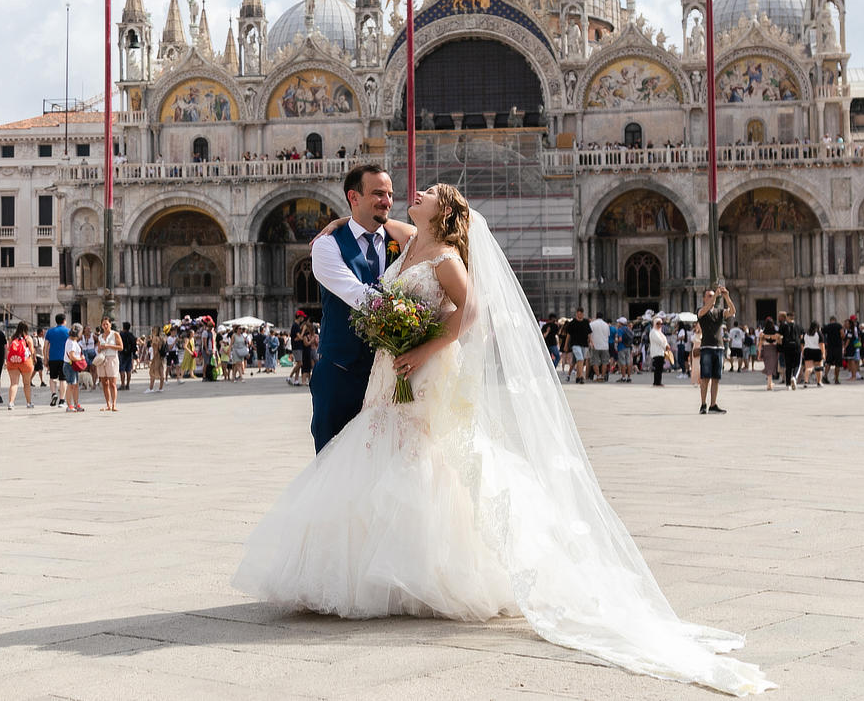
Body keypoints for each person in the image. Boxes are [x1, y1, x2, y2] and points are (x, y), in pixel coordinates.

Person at [234, 185, 772, 695]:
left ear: (443, 214)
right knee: (387, 450)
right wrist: (336, 224)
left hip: (425, 367)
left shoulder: (445, 254)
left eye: (430, 194)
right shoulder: (409, 237)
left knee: (426, 455)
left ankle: (423, 567)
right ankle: (380, 561)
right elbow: (368, 226)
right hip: (390, 368)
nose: (415, 195)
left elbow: (470, 313)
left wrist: (423, 351)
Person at [308, 164, 407, 453]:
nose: (387, 201)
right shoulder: (327, 245)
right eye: (378, 194)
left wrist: (350, 220)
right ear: (354, 197)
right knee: (333, 463)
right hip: (340, 375)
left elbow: (436, 240)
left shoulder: (400, 242)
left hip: (391, 377)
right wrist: (410, 313)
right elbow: (356, 294)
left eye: (389, 194)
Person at [696, 286, 734, 414]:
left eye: (712, 295)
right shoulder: (701, 311)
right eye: (709, 296)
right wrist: (715, 296)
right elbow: (706, 309)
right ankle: (703, 404)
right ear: (704, 298)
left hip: (719, 347)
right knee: (705, 378)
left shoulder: (719, 312)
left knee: (716, 378)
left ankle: (713, 404)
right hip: (706, 347)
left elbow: (733, 311)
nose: (712, 297)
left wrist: (727, 297)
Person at [5, 322, 35, 409]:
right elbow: (32, 351)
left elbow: (8, 350)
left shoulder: (12, 338)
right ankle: (29, 403)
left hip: (13, 361)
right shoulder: (28, 338)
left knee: (14, 383)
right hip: (25, 362)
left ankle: (11, 403)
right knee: (26, 384)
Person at [45, 313, 70, 408]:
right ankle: (62, 400)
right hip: (64, 358)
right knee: (63, 379)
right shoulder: (68, 331)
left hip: (53, 358)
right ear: (64, 321)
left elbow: (46, 346)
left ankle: (53, 393)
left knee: (52, 377)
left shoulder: (50, 331)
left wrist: (46, 357)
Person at [563, 309, 592, 385]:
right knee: (580, 359)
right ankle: (581, 376)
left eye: (581, 314)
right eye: (579, 314)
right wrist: (566, 345)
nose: (580, 315)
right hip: (575, 344)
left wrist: (591, 342)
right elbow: (568, 335)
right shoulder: (572, 323)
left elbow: (589, 333)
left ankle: (577, 377)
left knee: (580, 361)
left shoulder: (586, 322)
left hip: (584, 344)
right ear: (576, 314)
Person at [63, 324, 86, 412]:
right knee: (71, 385)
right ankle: (69, 405)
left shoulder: (73, 341)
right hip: (70, 365)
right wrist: (81, 358)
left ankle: (76, 404)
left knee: (75, 385)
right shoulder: (71, 343)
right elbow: (72, 356)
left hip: (73, 365)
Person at [778, 311, 802, 390]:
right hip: (796, 347)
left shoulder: (783, 326)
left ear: (787, 317)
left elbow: (779, 337)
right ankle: (794, 377)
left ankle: (788, 385)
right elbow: (801, 337)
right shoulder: (798, 326)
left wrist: (780, 346)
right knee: (797, 364)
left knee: (788, 366)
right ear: (793, 317)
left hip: (787, 347)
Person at [588, 311, 611, 382]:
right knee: (604, 362)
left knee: (595, 362)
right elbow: (608, 335)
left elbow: (589, 334)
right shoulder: (606, 325)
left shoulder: (592, 324)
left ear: (596, 316)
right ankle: (603, 376)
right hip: (604, 346)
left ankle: (598, 376)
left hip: (595, 345)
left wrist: (591, 342)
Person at [821, 316, 844, 385]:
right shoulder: (839, 325)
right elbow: (842, 334)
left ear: (830, 320)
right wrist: (841, 339)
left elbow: (822, 333)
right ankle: (836, 379)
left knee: (828, 362)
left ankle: (825, 376)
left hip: (830, 347)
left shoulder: (827, 326)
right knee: (837, 364)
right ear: (835, 320)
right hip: (838, 347)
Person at [647, 317, 670, 386]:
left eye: (661, 324)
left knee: (659, 368)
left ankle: (657, 381)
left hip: (661, 352)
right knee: (658, 368)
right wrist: (666, 345)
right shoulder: (653, 332)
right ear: (654, 324)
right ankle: (657, 382)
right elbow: (660, 341)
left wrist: (666, 345)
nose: (660, 325)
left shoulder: (659, 332)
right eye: (658, 324)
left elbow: (664, 340)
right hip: (657, 352)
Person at [759, 317, 780, 390]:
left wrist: (759, 354)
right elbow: (779, 341)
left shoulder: (762, 333)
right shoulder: (776, 333)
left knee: (768, 366)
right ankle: (769, 384)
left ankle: (770, 383)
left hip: (766, 350)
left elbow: (760, 344)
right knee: (772, 367)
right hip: (773, 350)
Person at [800, 322, 823, 386]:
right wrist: (823, 353)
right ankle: (819, 382)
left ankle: (806, 381)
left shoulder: (805, 334)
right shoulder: (818, 333)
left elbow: (802, 344)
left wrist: (802, 352)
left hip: (807, 351)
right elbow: (821, 344)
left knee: (808, 368)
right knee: (818, 368)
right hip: (817, 351)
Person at [146, 326, 167, 392]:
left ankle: (151, 388)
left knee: (152, 372)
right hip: (161, 357)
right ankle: (161, 388)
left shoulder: (155, 339)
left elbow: (155, 350)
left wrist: (152, 359)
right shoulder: (162, 339)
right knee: (161, 372)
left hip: (156, 357)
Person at [119, 322, 137, 390]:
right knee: (128, 370)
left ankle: (122, 384)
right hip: (129, 354)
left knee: (122, 370)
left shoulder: (121, 334)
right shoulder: (131, 335)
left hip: (122, 353)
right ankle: (128, 385)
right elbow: (134, 345)